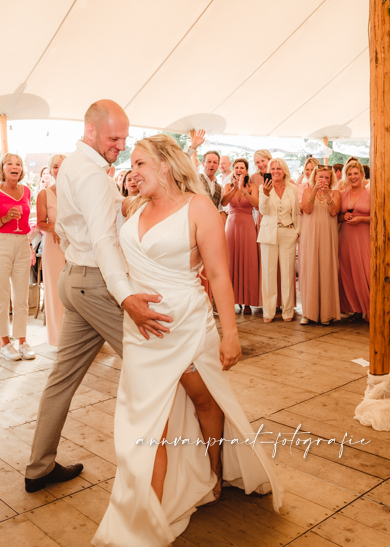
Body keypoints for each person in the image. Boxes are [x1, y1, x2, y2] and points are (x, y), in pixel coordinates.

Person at [94, 134, 283, 545]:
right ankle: (148, 516)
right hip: (142, 330)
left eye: (140, 163)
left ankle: (214, 470)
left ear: (164, 165)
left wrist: (231, 334)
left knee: (204, 401)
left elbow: (218, 274)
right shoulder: (132, 206)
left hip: (188, 326)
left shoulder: (198, 208)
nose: (133, 171)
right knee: (148, 423)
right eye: (131, 164)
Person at [25, 99, 171, 494]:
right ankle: (168, 467)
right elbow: (103, 239)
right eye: (114, 138)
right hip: (95, 284)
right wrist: (125, 296)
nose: (121, 146)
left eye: (124, 138)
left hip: (75, 278)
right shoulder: (90, 174)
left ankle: (38, 468)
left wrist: (130, 203)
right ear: (91, 131)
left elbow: (74, 227)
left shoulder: (77, 165)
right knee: (154, 362)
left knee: (62, 379)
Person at [0, 153, 34, 361]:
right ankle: (4, 343)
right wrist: (5, 218)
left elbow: (27, 224)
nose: (15, 167)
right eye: (10, 163)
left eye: (18, 164)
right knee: (1, 294)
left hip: (22, 243)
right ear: (2, 168)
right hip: (0, 243)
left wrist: (30, 246)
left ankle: (22, 341)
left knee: (22, 295)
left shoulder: (27, 191)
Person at [257, 158, 300, 322]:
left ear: (284, 171)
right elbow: (263, 211)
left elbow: (296, 212)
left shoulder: (292, 188)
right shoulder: (263, 188)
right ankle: (268, 312)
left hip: (288, 232)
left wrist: (297, 232)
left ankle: (287, 312)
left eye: (279, 168)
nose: (275, 171)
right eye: (273, 168)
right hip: (269, 233)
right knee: (268, 274)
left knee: (288, 274)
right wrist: (266, 194)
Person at [299, 165, 341, 325]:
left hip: (328, 234)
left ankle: (326, 314)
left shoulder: (335, 193)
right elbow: (307, 210)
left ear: (331, 179)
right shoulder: (307, 191)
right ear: (315, 178)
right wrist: (315, 191)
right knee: (310, 269)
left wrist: (327, 195)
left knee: (326, 269)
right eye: (320, 177)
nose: (323, 180)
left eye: (326, 177)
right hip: (310, 234)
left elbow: (334, 212)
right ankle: (308, 313)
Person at [36, 153, 67, 348]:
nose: (59, 170)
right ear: (50, 170)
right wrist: (53, 227)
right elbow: (40, 223)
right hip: (53, 246)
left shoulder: (77, 192)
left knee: (77, 291)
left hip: (76, 245)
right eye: (55, 166)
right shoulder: (44, 194)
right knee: (55, 291)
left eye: (62, 166)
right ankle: (58, 339)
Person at [221, 159, 260, 313]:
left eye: (242, 167)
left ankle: (248, 302)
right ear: (233, 170)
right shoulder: (227, 186)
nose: (239, 169)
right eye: (236, 167)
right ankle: (231, 299)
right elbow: (224, 203)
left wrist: (244, 191)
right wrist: (234, 189)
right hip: (231, 225)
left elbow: (256, 204)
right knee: (231, 260)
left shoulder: (253, 187)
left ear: (246, 170)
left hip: (247, 225)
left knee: (248, 261)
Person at [337, 160, 371, 321]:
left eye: (356, 173)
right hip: (346, 237)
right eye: (349, 174)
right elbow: (336, 216)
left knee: (365, 271)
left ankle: (370, 309)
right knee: (348, 271)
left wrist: (361, 219)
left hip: (364, 236)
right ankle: (356, 309)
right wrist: (343, 217)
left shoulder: (370, 193)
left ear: (362, 175)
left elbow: (378, 217)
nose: (353, 177)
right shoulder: (342, 194)